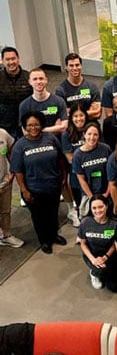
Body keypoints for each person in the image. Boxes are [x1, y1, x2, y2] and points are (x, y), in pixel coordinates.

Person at [12, 111, 67, 254]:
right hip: (34, 189)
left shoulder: (51, 139)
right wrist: (24, 190)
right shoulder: (20, 145)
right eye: (29, 125)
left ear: (41, 124)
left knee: (53, 213)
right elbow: (18, 171)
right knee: (39, 217)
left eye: (36, 124)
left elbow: (60, 159)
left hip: (53, 185)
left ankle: (54, 235)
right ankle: (44, 241)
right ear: (25, 127)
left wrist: (63, 176)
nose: (33, 128)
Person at [78, 194, 117, 291]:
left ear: (106, 206)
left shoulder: (115, 224)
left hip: (109, 255)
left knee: (114, 287)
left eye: (100, 207)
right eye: (94, 208)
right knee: (100, 269)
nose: (97, 211)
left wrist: (105, 257)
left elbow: (115, 244)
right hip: (92, 255)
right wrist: (93, 259)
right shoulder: (85, 222)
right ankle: (94, 273)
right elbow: (83, 243)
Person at [72, 122, 111, 217]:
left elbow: (112, 173)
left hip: (106, 192)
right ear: (84, 134)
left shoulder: (106, 149)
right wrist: (92, 197)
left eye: (95, 134)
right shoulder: (78, 155)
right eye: (89, 134)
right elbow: (81, 179)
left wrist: (107, 193)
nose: (92, 137)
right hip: (88, 194)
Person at [61, 104, 88, 227]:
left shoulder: (93, 129)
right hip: (76, 176)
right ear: (71, 118)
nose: (79, 119)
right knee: (81, 202)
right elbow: (70, 158)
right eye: (75, 116)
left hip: (94, 174)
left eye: (81, 115)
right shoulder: (66, 135)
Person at [18, 68, 67, 135]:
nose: (38, 82)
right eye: (35, 79)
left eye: (41, 78)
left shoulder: (59, 101)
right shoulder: (24, 105)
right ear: (30, 82)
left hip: (57, 141)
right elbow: (26, 133)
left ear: (46, 80)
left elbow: (64, 127)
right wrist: (55, 128)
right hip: (35, 143)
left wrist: (35, 130)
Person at [55, 53, 101, 120]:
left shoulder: (92, 87)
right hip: (71, 125)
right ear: (66, 67)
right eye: (71, 65)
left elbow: (97, 114)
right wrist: (89, 112)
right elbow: (63, 116)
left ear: (81, 66)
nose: (75, 68)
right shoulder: (60, 90)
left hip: (90, 124)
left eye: (77, 65)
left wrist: (72, 113)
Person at [0, 46, 32, 138]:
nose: (11, 62)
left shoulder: (28, 77)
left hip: (26, 123)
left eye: (13, 58)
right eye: (7, 59)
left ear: (18, 59)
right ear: (2, 61)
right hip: (5, 125)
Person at [0, 126, 23, 248]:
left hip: (4, 181)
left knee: (5, 211)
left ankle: (6, 235)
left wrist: (12, 172)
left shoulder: (3, 134)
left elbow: (11, 153)